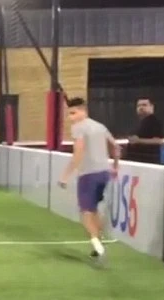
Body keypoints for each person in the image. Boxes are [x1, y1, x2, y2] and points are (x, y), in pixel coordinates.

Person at [59, 97, 120, 263]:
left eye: (73, 113)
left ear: (83, 111)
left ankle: (98, 247)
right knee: (93, 209)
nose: (70, 117)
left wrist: (66, 175)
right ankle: (98, 243)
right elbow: (115, 146)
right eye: (69, 114)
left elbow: (78, 152)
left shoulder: (78, 127)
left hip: (88, 174)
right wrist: (115, 167)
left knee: (86, 212)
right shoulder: (100, 126)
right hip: (104, 173)